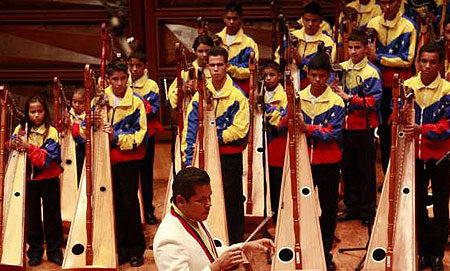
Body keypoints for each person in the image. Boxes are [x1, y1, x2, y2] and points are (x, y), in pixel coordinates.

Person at [182, 46, 250, 244]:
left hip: (229, 156)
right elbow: (191, 128)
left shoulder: (238, 96)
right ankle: (209, 240)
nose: (216, 69)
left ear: (227, 66)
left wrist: (213, 138)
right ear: (207, 67)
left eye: (220, 65)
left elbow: (239, 130)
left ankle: (235, 242)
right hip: (205, 156)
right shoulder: (200, 96)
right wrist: (188, 159)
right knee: (203, 200)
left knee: (232, 200)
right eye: (212, 65)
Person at [153, 167, 274, 271]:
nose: (208, 204)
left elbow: (205, 252)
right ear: (181, 201)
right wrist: (215, 267)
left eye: (209, 197)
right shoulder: (168, 240)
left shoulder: (193, 216)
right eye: (201, 200)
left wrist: (244, 247)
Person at [94, 61, 148, 267]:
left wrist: (115, 137)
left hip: (127, 160)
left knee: (130, 204)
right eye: (114, 79)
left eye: (122, 78)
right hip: (105, 160)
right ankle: (120, 248)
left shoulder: (136, 102)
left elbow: (140, 134)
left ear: (128, 78)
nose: (119, 83)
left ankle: (136, 250)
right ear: (108, 79)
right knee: (113, 204)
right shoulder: (99, 100)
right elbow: (85, 127)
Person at [295, 53, 345, 271]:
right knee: (302, 208)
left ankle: (324, 253)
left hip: (328, 162)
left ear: (328, 76)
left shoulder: (336, 101)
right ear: (307, 74)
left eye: (322, 76)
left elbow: (333, 133)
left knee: (328, 209)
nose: (317, 80)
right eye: (313, 75)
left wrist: (309, 129)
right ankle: (303, 250)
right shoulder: (297, 98)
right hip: (303, 161)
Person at [403, 42, 450, 271]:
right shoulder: (406, 86)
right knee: (418, 203)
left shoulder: (448, 90)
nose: (428, 66)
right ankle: (421, 250)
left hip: (440, 156)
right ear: (418, 62)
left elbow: (448, 126)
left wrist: (423, 130)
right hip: (414, 156)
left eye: (433, 62)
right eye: (424, 61)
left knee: (441, 204)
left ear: (441, 64)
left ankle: (437, 253)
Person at [332, 30, 383, 226]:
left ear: (366, 48)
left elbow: (374, 102)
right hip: (343, 126)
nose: (353, 52)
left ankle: (367, 211)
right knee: (348, 169)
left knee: (366, 171)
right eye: (350, 47)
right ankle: (351, 207)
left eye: (358, 48)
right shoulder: (341, 68)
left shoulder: (371, 72)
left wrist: (349, 98)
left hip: (364, 127)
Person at [8, 96, 63, 266]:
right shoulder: (21, 129)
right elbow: (10, 143)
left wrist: (29, 148)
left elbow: (46, 159)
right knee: (32, 217)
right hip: (29, 180)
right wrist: (12, 143)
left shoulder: (51, 131)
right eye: (32, 112)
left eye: (40, 111)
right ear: (27, 113)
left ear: (45, 112)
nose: (36, 115)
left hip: (49, 179)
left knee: (52, 216)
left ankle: (54, 250)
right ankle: (35, 251)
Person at [366, 0, 417, 173]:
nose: (387, 7)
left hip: (400, 86)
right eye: (383, 3)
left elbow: (407, 59)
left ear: (399, 2)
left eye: (391, 2)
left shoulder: (408, 26)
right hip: (378, 85)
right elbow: (366, 52)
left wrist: (379, 57)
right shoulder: (373, 24)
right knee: (384, 131)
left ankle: (403, 175)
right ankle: (388, 175)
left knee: (400, 129)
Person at [128, 50, 162, 225]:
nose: (134, 69)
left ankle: (148, 209)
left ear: (145, 66)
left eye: (138, 65)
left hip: (146, 135)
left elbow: (151, 110)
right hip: (128, 137)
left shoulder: (152, 85)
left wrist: (133, 97)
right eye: (131, 65)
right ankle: (134, 212)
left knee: (146, 174)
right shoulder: (122, 82)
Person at [275, 1, 337, 90]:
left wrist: (302, 61)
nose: (310, 24)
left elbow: (326, 66)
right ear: (302, 19)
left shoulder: (327, 42)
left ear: (321, 21)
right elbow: (277, 59)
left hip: (315, 85)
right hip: (290, 81)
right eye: (307, 20)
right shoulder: (292, 36)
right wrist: (284, 58)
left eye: (314, 20)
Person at [262, 61, 287, 223]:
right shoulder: (257, 92)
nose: (268, 78)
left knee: (276, 178)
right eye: (265, 75)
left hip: (277, 140)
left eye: (272, 75)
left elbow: (282, 119)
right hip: (262, 140)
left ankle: (278, 214)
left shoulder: (284, 95)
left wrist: (267, 109)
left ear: (279, 76)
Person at [216, 1, 259, 94]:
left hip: (240, 89)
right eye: (229, 18)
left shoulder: (249, 44)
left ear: (241, 19)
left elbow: (250, 71)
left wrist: (230, 68)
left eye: (235, 19)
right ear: (224, 18)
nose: (231, 22)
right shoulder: (216, 40)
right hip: (217, 88)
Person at [168, 34, 214, 110]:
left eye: (207, 51)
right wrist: (182, 90)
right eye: (200, 51)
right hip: (192, 112)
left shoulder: (217, 69)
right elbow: (172, 98)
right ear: (194, 51)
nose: (204, 54)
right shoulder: (187, 71)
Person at [66, 88, 86, 185]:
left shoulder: (88, 116)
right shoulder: (68, 114)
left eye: (81, 102)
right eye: (74, 102)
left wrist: (72, 127)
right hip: (69, 150)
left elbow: (84, 137)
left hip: (83, 152)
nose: (77, 105)